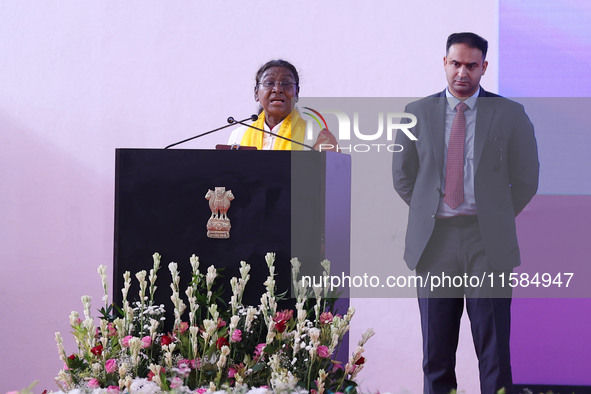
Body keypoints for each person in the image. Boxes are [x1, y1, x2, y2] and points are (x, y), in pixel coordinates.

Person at [392, 32, 539, 394]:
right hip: (435, 242)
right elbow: (402, 176)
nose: (462, 73)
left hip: (486, 242)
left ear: (483, 67)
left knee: (493, 352)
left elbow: (526, 179)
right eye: (455, 63)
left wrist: (495, 215)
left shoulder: (509, 113)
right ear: (444, 63)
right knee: (436, 351)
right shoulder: (416, 113)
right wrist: (431, 211)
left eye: (471, 66)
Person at [228, 59, 337, 151]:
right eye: (269, 83)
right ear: (256, 93)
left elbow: (333, 174)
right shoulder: (238, 135)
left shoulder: (319, 136)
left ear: (297, 93)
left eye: (286, 83)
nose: (277, 89)